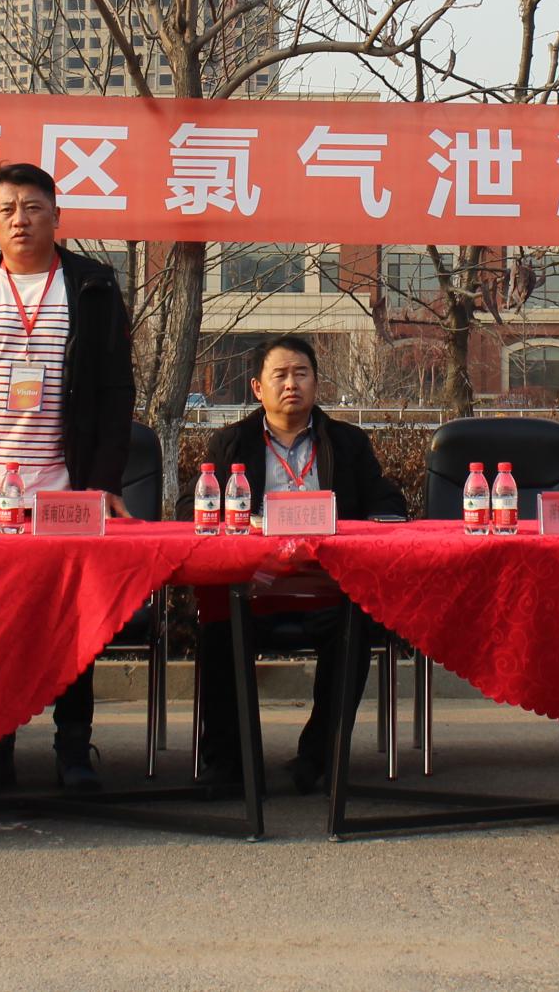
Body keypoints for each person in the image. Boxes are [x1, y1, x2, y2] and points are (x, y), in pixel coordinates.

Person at [0, 161, 137, 796]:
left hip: (66, 489)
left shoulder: (93, 285)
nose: (21, 220)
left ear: (56, 218)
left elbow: (117, 391)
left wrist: (103, 481)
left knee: (72, 624)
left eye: (34, 208)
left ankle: (74, 748)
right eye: (8, 209)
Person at [197, 336, 408, 797]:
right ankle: (229, 760)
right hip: (256, 583)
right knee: (218, 624)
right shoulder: (231, 442)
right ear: (258, 388)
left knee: (353, 625)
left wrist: (357, 528)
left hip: (325, 584)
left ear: (316, 382)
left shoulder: (347, 443)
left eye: (301, 374)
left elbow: (389, 503)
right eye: (280, 375)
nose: (291, 384)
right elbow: (192, 511)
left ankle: (318, 758)